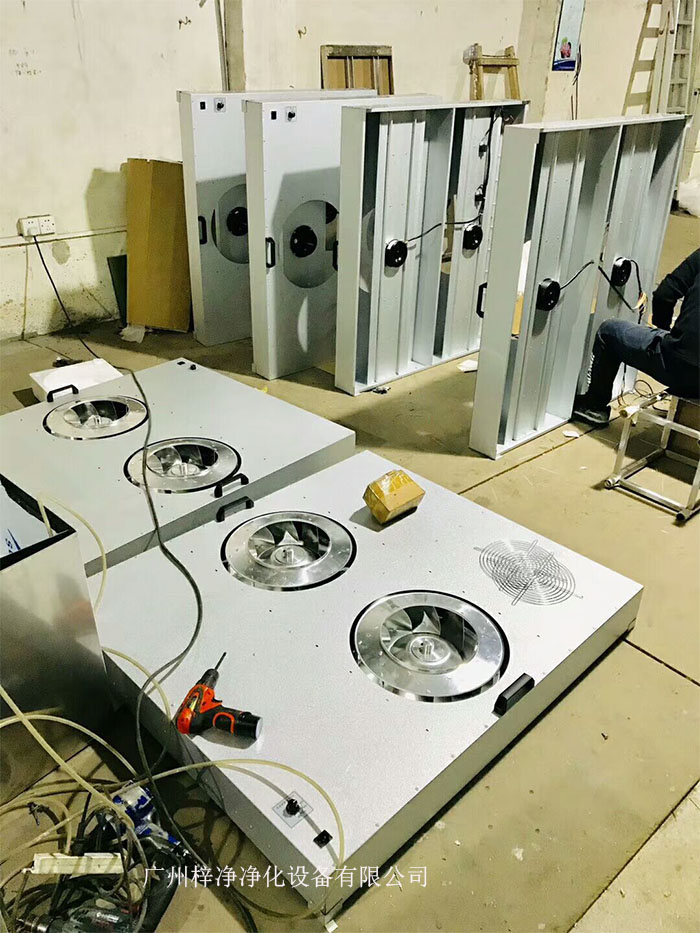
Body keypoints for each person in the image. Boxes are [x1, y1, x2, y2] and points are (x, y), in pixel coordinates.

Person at [573, 248, 700, 426]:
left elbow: (665, 294)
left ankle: (594, 406)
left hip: (678, 364)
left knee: (608, 332)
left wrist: (663, 330)